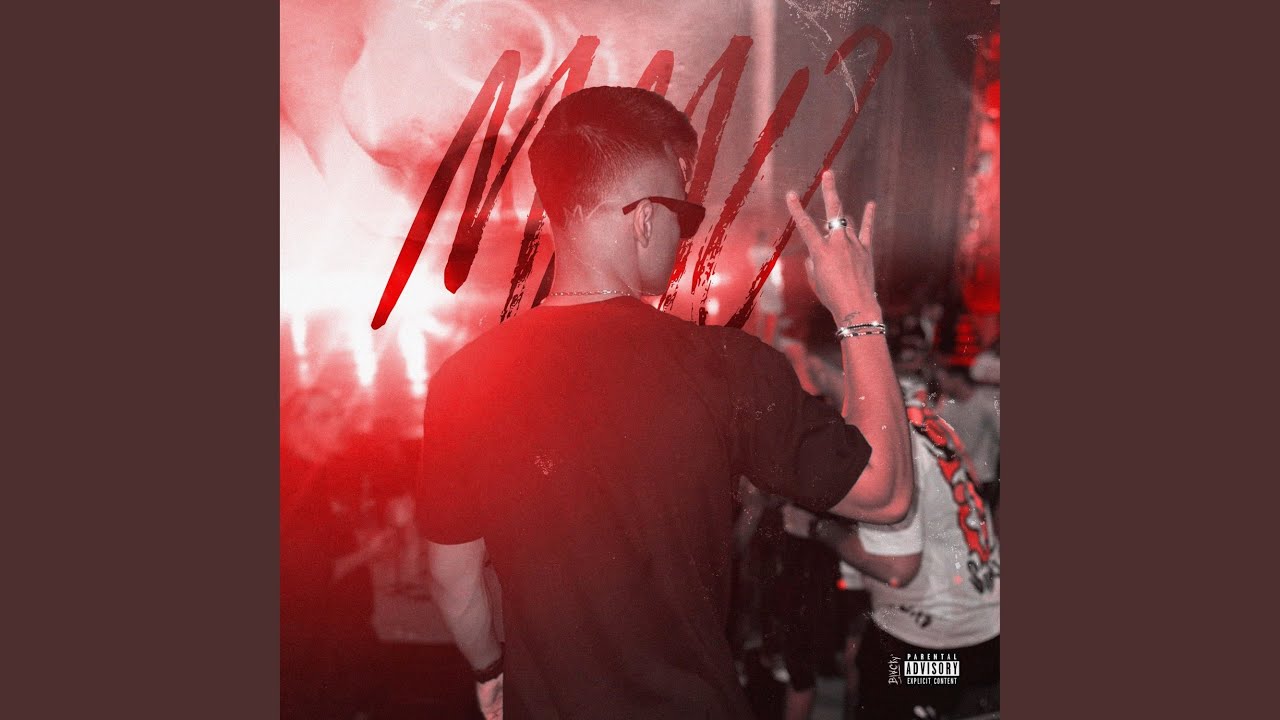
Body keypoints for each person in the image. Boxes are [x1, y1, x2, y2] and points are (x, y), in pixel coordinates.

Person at [416, 86, 915, 719]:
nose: (683, 236)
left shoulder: (464, 380)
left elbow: (454, 581)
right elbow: (885, 493)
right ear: (646, 218)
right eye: (684, 214)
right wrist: (857, 308)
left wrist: (490, 668)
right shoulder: (723, 367)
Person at [781, 386, 1000, 720]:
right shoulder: (914, 410)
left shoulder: (881, 438)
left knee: (883, 681)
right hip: (980, 627)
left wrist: (815, 528)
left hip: (933, 648)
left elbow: (897, 568)